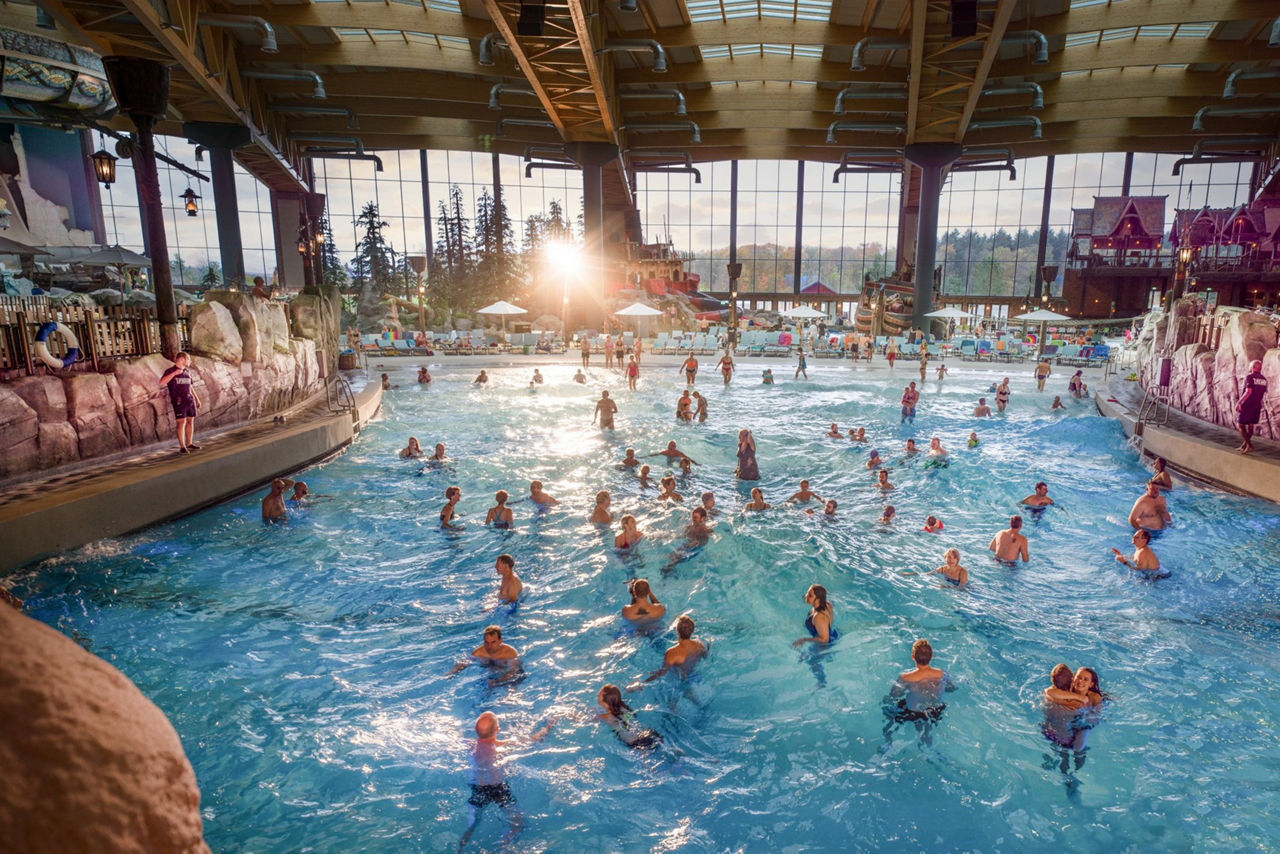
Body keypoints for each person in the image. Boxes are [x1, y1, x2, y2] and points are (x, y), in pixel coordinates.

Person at [882, 639, 956, 747]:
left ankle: (888, 740)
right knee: (927, 731)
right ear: (931, 657)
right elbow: (951, 689)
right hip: (936, 711)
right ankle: (926, 741)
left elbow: (894, 695)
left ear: (913, 657)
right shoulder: (943, 674)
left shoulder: (905, 677)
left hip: (912, 713)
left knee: (888, 708)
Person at [627, 615, 706, 691]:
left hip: (680, 680)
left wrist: (642, 682)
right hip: (695, 676)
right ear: (692, 630)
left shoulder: (672, 653)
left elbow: (662, 673)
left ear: (677, 631)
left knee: (670, 701)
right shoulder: (699, 644)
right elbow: (705, 655)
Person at [159, 351, 202, 454]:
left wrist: (196, 398)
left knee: (190, 421)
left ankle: (189, 443)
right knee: (181, 422)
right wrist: (174, 374)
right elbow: (161, 382)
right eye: (188, 359)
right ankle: (182, 447)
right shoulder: (170, 370)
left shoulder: (187, 372)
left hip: (189, 400)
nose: (190, 361)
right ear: (182, 359)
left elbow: (190, 386)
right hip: (179, 402)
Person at [596, 684, 662, 750]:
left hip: (636, 743)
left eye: (600, 693)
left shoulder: (606, 717)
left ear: (604, 700)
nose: (597, 694)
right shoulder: (622, 705)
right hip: (648, 733)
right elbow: (621, 694)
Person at [449, 626, 521, 680]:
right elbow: (462, 663)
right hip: (490, 674)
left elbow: (514, 672)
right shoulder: (479, 652)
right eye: (486, 642)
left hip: (507, 677)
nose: (489, 646)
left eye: (493, 642)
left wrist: (497, 681)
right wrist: (450, 674)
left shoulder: (510, 653)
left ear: (500, 640)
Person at [1235, 358, 1268, 454]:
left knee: (1240, 425)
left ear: (1253, 367)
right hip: (1257, 405)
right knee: (1250, 425)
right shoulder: (1264, 379)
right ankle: (1244, 446)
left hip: (1247, 404)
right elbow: (1263, 393)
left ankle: (1249, 445)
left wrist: (1239, 402)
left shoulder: (1250, 377)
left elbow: (1248, 392)